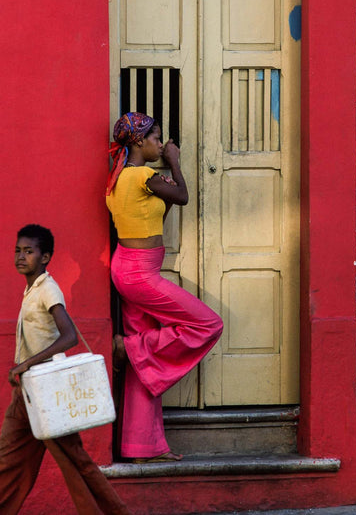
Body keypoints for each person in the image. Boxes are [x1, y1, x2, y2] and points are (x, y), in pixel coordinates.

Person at [106, 112, 223, 463]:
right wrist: (174, 162)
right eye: (157, 138)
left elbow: (159, 214)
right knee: (207, 324)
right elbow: (183, 196)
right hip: (141, 275)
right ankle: (128, 347)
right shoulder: (144, 175)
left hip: (129, 269)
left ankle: (141, 448)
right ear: (139, 142)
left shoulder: (120, 179)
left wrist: (167, 177)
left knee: (145, 364)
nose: (160, 143)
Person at [0, 224, 131, 514]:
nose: (21, 256)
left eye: (29, 251)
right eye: (17, 251)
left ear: (45, 257)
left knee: (76, 464)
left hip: (48, 392)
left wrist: (25, 364)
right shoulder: (31, 288)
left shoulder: (47, 288)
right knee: (7, 461)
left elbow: (69, 336)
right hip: (27, 393)